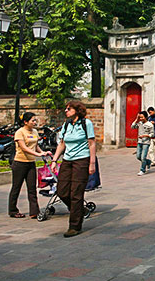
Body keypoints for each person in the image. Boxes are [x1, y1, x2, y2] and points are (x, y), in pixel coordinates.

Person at [50, 100, 96, 237]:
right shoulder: (67, 124)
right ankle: (80, 210)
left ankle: (75, 226)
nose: (66, 111)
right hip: (67, 160)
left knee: (76, 193)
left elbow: (91, 143)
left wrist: (92, 163)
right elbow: (62, 143)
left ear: (77, 110)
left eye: (69, 108)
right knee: (62, 191)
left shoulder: (86, 123)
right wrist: (54, 160)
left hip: (81, 160)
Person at [8, 112, 50, 219]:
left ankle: (34, 211)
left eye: (35, 120)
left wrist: (43, 153)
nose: (35, 122)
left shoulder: (35, 131)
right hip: (19, 163)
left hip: (31, 163)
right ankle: (13, 210)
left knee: (32, 188)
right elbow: (24, 148)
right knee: (16, 187)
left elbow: (35, 146)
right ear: (25, 122)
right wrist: (38, 154)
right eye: (32, 120)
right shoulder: (20, 132)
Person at [132, 111, 154, 176]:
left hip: (146, 142)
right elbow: (132, 126)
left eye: (142, 117)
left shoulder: (150, 125)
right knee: (138, 156)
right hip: (139, 142)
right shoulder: (139, 123)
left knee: (143, 157)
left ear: (146, 117)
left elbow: (152, 134)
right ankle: (148, 162)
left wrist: (145, 136)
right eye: (140, 117)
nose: (141, 118)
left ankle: (142, 170)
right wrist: (136, 119)